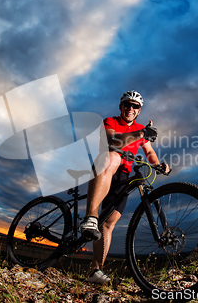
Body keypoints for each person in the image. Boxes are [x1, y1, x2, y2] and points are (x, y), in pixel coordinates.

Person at [80, 90, 169, 284]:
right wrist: (141, 132)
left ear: (139, 110)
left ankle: (96, 271)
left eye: (135, 106)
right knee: (113, 156)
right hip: (107, 165)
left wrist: (158, 164)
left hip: (124, 175)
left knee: (109, 223)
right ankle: (90, 217)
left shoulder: (140, 129)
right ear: (121, 107)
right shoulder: (111, 121)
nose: (130, 108)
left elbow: (149, 151)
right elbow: (112, 141)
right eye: (127, 105)